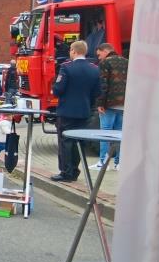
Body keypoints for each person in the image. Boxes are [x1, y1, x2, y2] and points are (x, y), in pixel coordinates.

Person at [51, 40, 101, 183]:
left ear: (73, 51)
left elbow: (58, 90)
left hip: (67, 111)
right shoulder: (94, 68)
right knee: (79, 142)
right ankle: (75, 170)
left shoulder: (66, 67)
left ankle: (66, 172)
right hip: (84, 111)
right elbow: (97, 92)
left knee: (65, 141)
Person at [94, 42, 128, 171]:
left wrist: (100, 103)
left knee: (105, 133)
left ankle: (103, 162)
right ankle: (119, 163)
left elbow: (103, 84)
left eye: (99, 54)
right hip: (123, 103)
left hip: (109, 103)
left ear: (105, 51)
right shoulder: (126, 61)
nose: (99, 58)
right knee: (119, 134)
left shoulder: (105, 63)